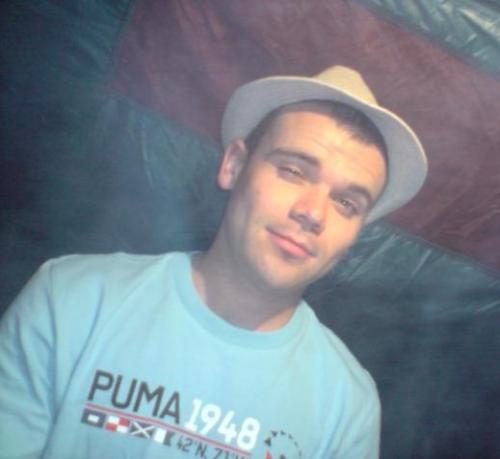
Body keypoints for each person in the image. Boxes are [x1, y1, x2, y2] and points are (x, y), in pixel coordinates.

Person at [0, 66, 427, 458]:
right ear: (234, 165)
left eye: (347, 203)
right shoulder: (72, 298)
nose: (313, 213)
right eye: (294, 171)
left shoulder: (347, 405)